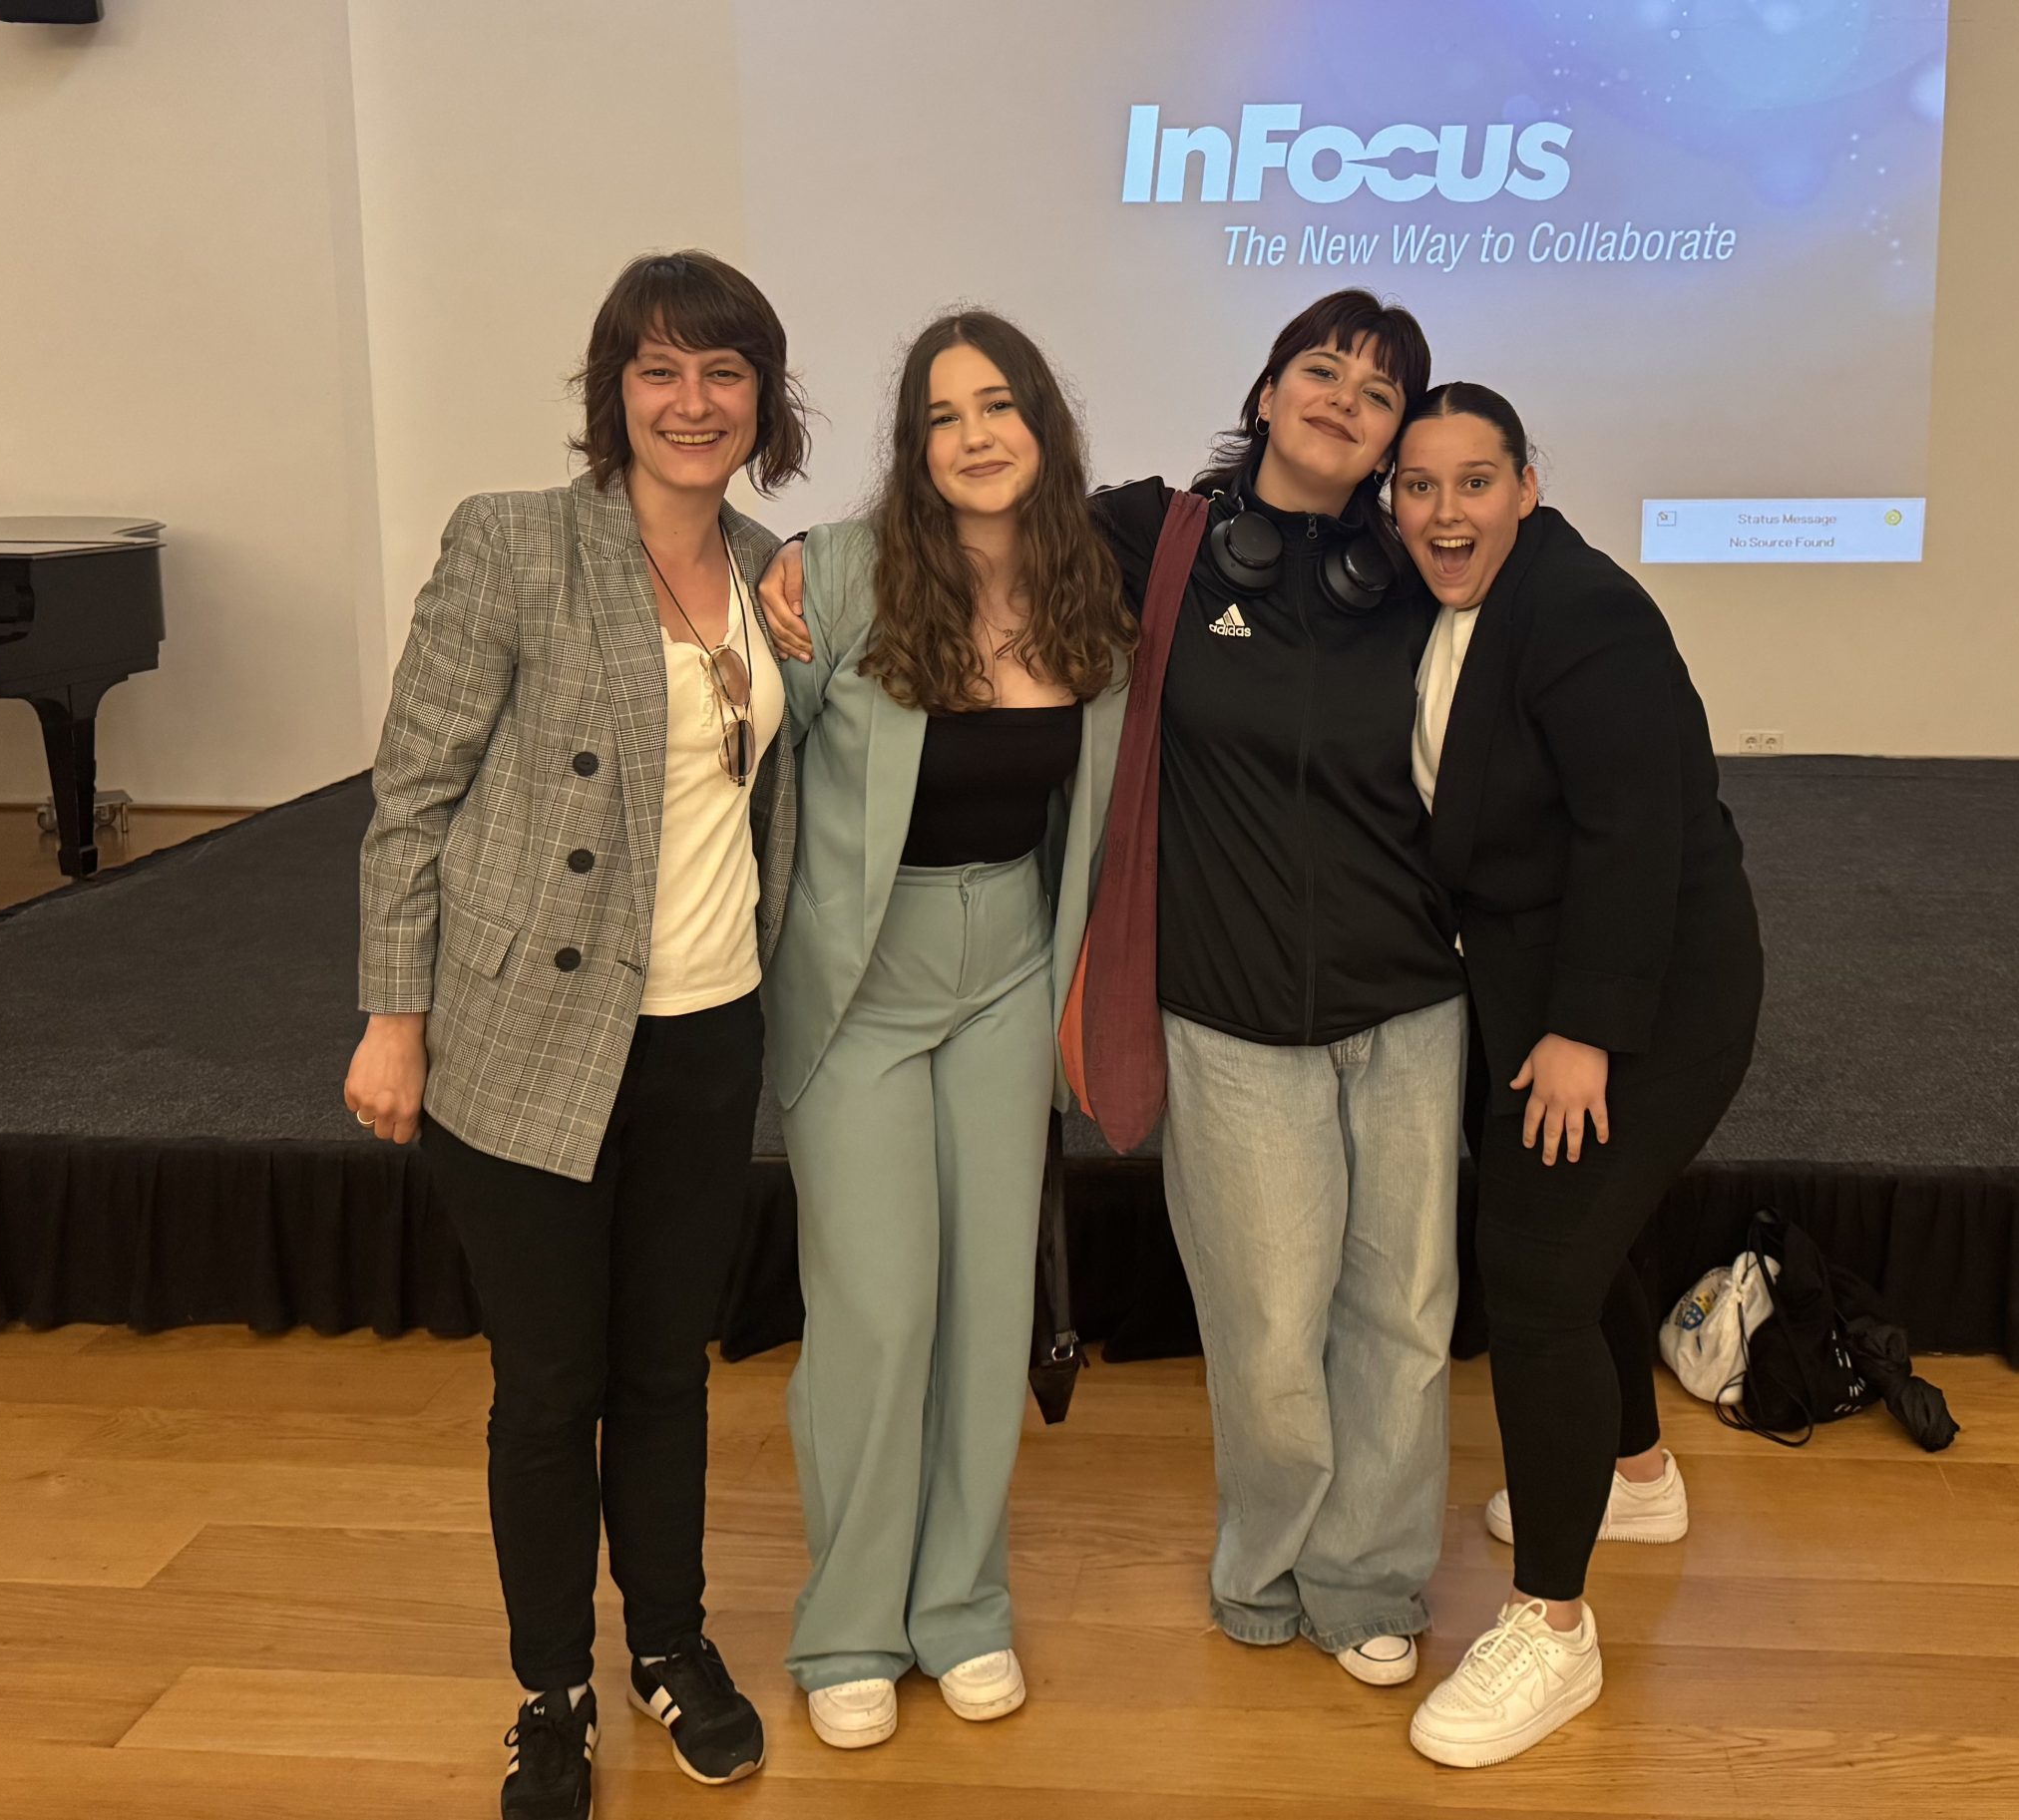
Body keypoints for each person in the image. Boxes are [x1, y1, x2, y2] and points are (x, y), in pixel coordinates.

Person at [761, 291, 1463, 1689]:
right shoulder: (1113, 548)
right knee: (896, 1315)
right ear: (1264, 393)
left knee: (1016, 1317)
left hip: (1159, 976)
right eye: (1319, 368)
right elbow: (782, 662)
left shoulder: (1347, 580)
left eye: (1377, 390)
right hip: (957, 984)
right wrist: (785, 554)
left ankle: (996, 1604)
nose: (1342, 397)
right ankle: (862, 1626)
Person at [347, 249, 806, 1820]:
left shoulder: (776, 571)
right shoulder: (515, 542)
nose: (693, 400)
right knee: (550, 1386)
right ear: (613, 392)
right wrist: (393, 1016)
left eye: (724, 371)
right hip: (525, 1033)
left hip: (707, 1029)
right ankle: (551, 1688)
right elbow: (411, 795)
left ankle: (668, 1642)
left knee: (666, 1369)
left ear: (764, 398)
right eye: (658, 369)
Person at [761, 312, 1132, 1749]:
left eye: (1000, 405)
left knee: (985, 1308)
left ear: (1045, 422)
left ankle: (963, 1605)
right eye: (942, 414)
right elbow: (754, 753)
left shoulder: (1088, 586)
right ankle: (850, 1624)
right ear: (913, 446)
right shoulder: (841, 576)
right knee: (876, 1308)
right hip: (862, 976)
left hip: (1009, 970)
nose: (975, 435)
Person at [1390, 384, 1764, 1767]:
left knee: (1539, 1274)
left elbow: (1634, 832)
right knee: (1573, 1235)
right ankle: (1636, 1475)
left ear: (1527, 488)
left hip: (1650, 1002)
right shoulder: (1453, 607)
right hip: (1542, 993)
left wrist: (1588, 1030)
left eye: (1475, 483)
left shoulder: (1584, 611)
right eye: (1418, 486)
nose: (1445, 513)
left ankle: (1552, 1626)